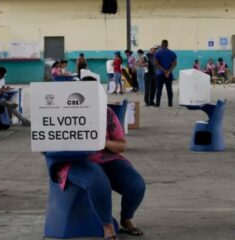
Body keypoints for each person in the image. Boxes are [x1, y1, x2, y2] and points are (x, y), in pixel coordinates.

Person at [56, 106, 146, 240]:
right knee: (98, 182)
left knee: (136, 185)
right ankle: (107, 226)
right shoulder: (58, 110)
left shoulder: (105, 112)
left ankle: (126, 218)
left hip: (107, 157)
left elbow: (121, 145)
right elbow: (44, 143)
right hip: (74, 161)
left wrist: (102, 142)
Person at [154, 39, 177, 107]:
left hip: (160, 74)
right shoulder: (172, 53)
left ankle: (157, 104)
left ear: (161, 44)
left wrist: (163, 70)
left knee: (159, 89)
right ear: (167, 45)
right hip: (169, 75)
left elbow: (156, 64)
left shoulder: (157, 53)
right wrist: (168, 71)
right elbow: (175, 64)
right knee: (169, 89)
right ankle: (170, 103)